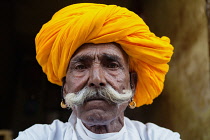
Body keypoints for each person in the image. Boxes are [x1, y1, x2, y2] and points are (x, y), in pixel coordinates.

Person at [15, 3, 181, 140]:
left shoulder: (160, 137)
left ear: (132, 84)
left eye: (112, 65)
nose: (96, 79)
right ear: (65, 88)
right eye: (80, 67)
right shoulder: (38, 137)